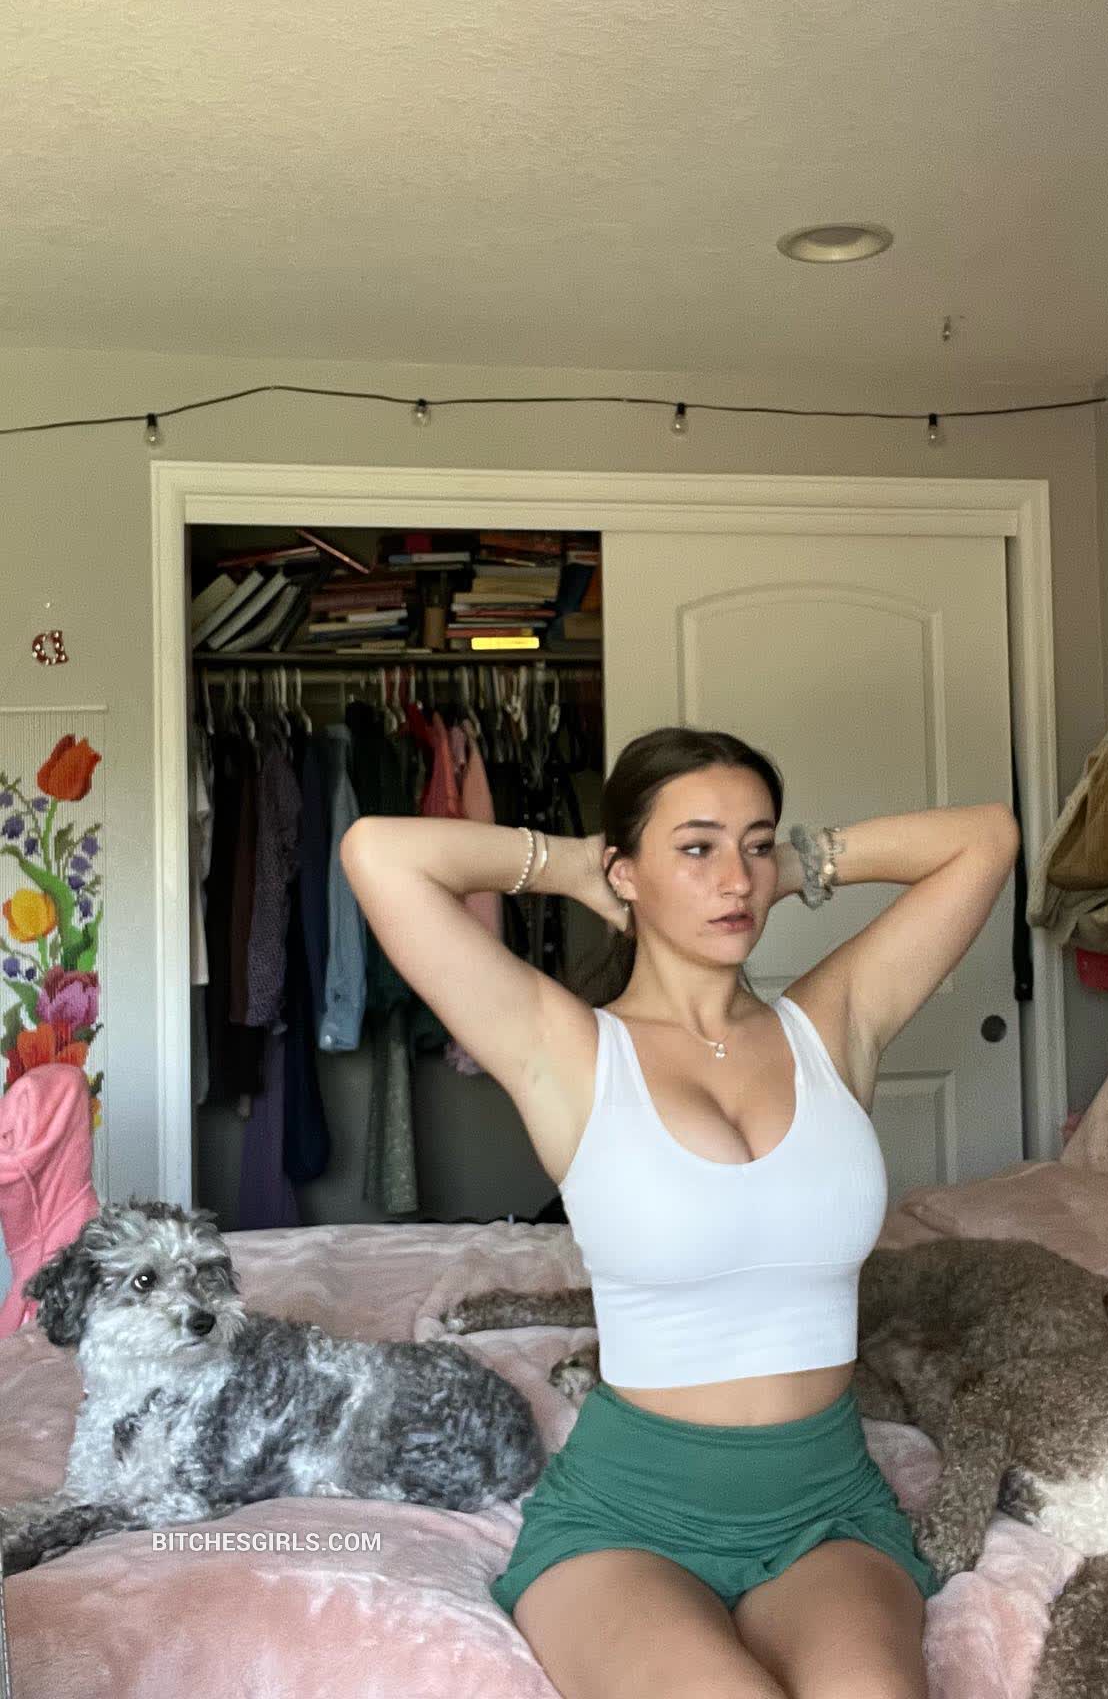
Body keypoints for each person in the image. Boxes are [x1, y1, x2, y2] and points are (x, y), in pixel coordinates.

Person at [340, 725, 1020, 1699]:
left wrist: (795, 866)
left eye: (755, 844)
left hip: (825, 1510)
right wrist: (575, 866)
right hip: (628, 1522)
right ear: (628, 870)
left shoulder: (832, 1025)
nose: (734, 880)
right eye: (697, 848)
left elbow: (987, 838)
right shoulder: (567, 1048)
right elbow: (377, 852)